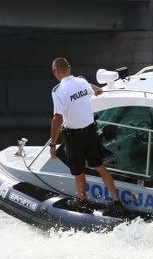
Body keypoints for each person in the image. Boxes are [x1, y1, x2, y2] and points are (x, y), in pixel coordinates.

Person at [48, 57, 123, 211]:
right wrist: (95, 90)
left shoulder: (58, 91)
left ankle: (83, 201)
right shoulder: (82, 82)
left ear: (55, 71)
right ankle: (117, 202)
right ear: (69, 67)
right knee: (100, 166)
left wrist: (53, 144)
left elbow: (57, 118)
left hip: (74, 137)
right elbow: (96, 90)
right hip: (90, 132)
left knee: (79, 171)